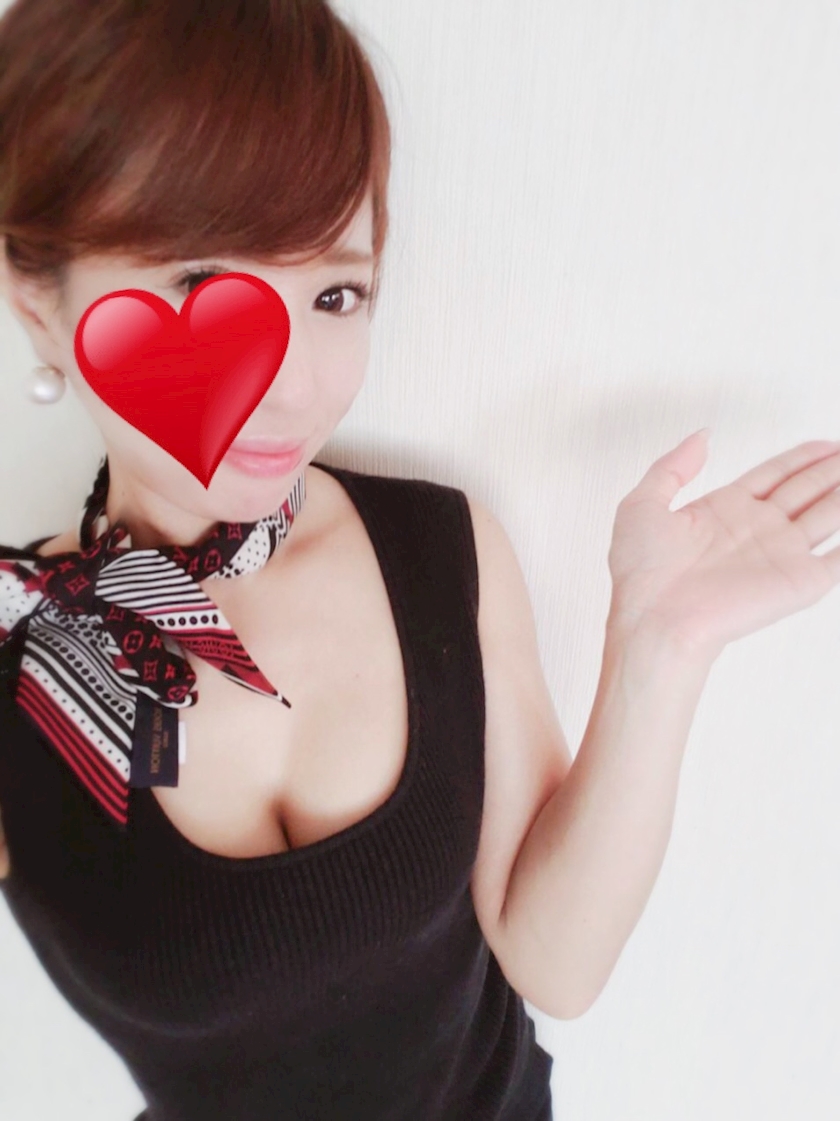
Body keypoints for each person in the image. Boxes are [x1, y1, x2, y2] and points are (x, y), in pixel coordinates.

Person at [0, 2, 565, 1118]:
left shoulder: (439, 552)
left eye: (335, 294)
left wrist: (664, 636)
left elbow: (558, 965)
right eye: (200, 284)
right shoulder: (17, 645)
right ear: (41, 305)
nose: (291, 383)